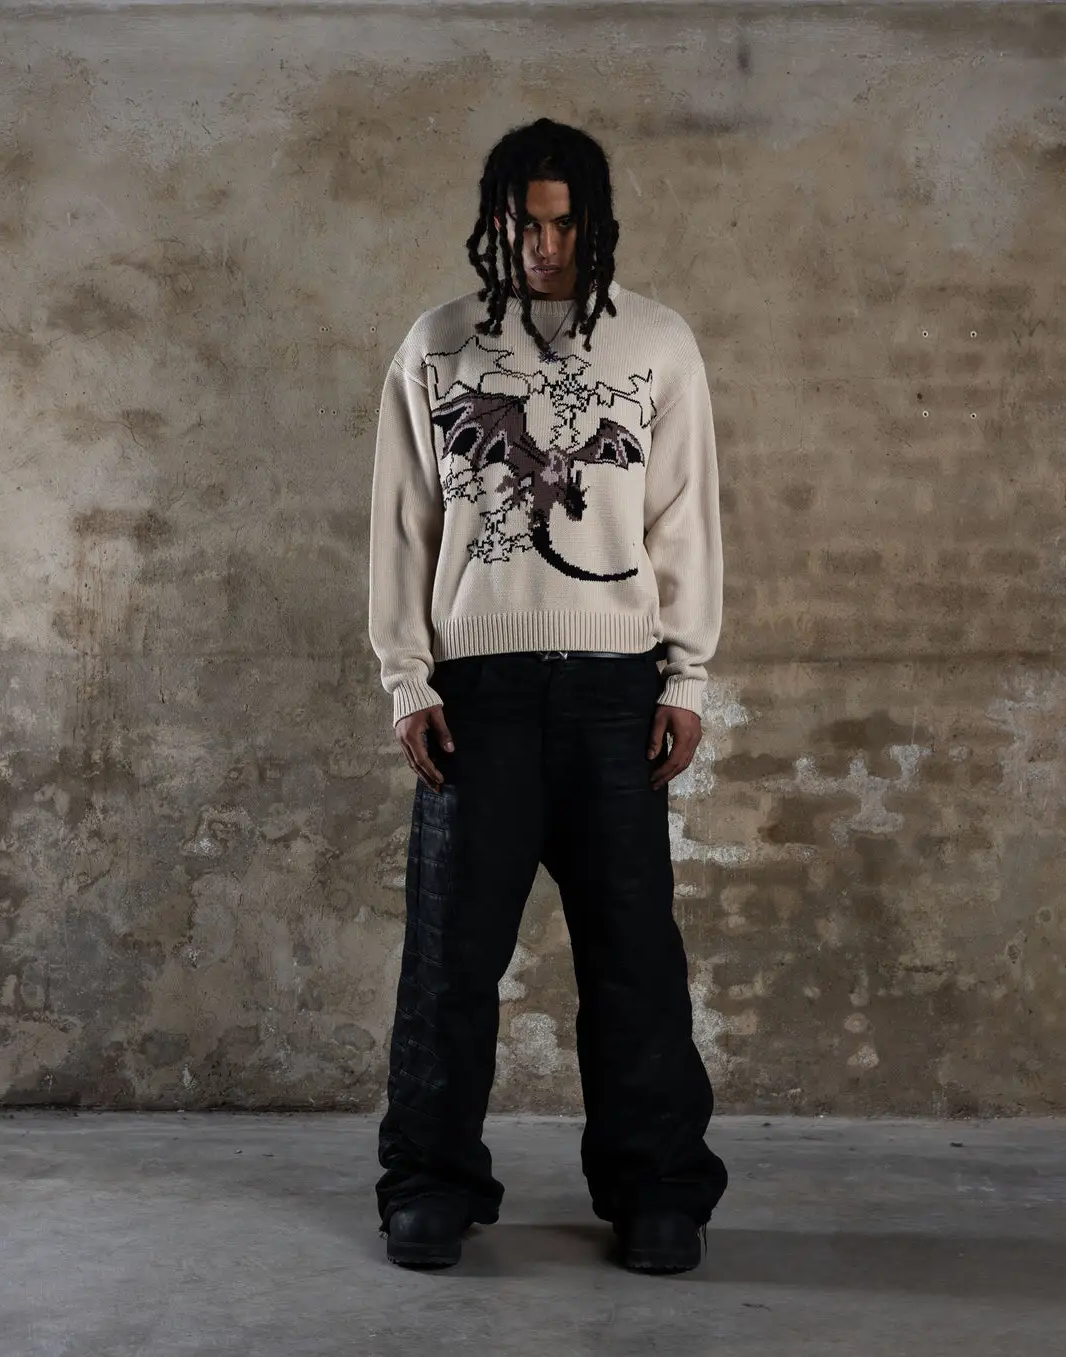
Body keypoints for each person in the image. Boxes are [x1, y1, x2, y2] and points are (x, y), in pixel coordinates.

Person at [367, 117, 727, 1273]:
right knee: (450, 956)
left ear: (594, 223)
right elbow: (402, 526)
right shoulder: (439, 346)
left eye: (564, 223)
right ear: (495, 220)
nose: (544, 243)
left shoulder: (656, 343)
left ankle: (655, 1185)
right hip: (477, 694)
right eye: (525, 221)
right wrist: (405, 680)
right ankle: (430, 1181)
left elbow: (683, 518)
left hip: (615, 692)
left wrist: (686, 674)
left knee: (632, 955)